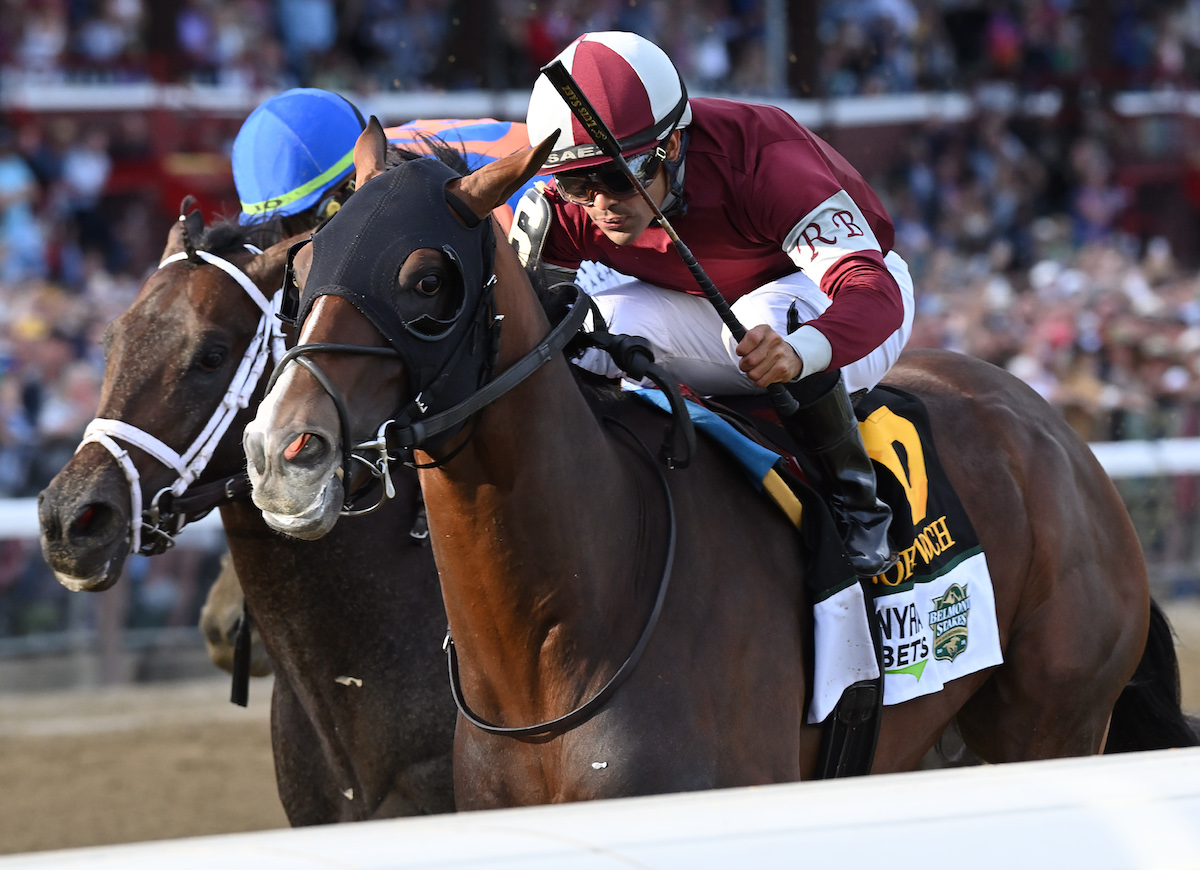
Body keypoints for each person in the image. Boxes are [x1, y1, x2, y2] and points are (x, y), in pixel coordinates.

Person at [523, 31, 916, 577]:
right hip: (704, 308)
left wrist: (800, 353)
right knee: (586, 331)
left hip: (829, 297)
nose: (600, 204)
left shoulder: (764, 160)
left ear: (674, 145)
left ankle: (855, 502)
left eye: (617, 177)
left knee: (766, 322)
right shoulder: (565, 209)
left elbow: (872, 292)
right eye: (576, 183)